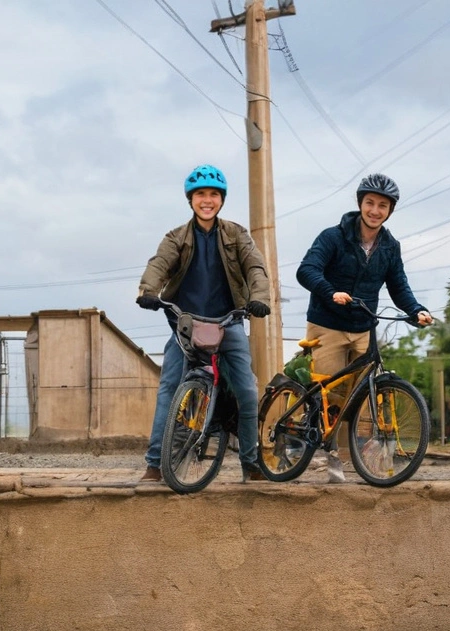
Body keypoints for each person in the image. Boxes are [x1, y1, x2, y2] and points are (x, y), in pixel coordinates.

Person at [136, 164, 272, 482]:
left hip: (229, 322)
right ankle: (155, 464)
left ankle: (251, 462)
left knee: (247, 392)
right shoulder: (177, 237)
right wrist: (148, 291)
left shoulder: (237, 234)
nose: (207, 200)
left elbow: (255, 266)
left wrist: (260, 297)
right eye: (200, 194)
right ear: (191, 200)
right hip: (186, 327)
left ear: (221, 199)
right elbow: (159, 263)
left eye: (213, 194)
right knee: (169, 388)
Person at [296, 173, 433, 481]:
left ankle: (363, 458)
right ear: (360, 205)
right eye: (370, 203)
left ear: (389, 211)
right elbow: (307, 270)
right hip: (327, 323)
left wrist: (416, 310)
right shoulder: (332, 237)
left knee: (365, 396)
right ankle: (329, 453)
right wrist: (330, 291)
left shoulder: (389, 247)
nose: (375, 210)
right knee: (332, 393)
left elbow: (399, 286)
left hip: (363, 325)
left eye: (382, 206)